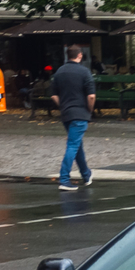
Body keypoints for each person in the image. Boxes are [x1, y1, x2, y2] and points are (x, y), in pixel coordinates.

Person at [51, 43, 96, 189]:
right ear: (80, 55)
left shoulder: (59, 72)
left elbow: (53, 95)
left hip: (66, 114)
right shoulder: (84, 72)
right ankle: (64, 179)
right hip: (80, 113)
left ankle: (86, 175)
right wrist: (89, 110)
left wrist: (63, 106)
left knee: (77, 145)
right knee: (73, 145)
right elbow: (91, 96)